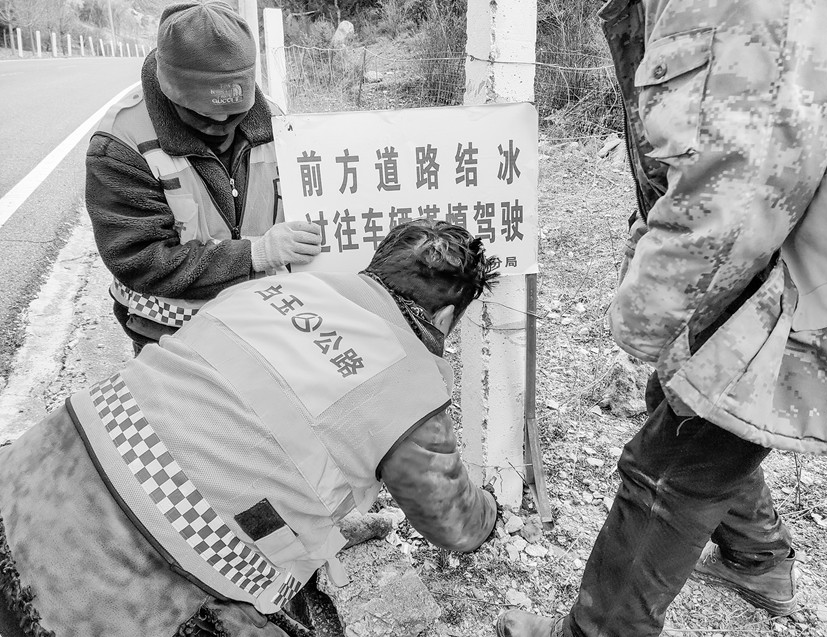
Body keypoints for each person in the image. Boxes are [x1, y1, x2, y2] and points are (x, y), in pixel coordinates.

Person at [498, 1, 827, 636]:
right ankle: (758, 559)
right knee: (699, 411)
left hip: (800, 275)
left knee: (667, 467)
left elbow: (735, 197)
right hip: (794, 263)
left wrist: (648, 323)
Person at [0, 219, 500, 637]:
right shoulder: (411, 387)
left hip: (33, 474)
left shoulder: (270, 289)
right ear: (445, 316)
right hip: (125, 585)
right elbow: (453, 523)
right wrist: (490, 512)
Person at [85, 0, 321, 355]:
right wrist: (255, 254)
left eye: (235, 113)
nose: (222, 124)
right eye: (204, 114)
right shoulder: (122, 143)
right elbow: (141, 259)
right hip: (170, 336)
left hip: (264, 320)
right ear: (169, 89)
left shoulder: (276, 123)